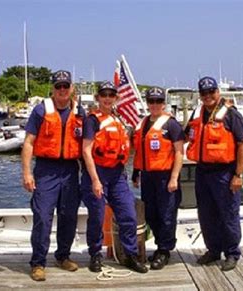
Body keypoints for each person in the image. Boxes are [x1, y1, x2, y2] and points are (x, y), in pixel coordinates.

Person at [21, 70, 85, 281]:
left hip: (70, 170)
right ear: (53, 89)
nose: (62, 90)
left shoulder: (79, 113)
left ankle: (63, 256)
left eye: (66, 86)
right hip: (46, 170)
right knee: (42, 216)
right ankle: (38, 262)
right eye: (58, 86)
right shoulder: (41, 111)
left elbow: (86, 146)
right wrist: (27, 173)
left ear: (71, 88)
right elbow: (29, 142)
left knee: (68, 215)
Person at [81, 81, 148, 274]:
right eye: (104, 95)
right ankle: (95, 254)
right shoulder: (92, 120)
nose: (108, 98)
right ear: (98, 98)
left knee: (128, 214)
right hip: (97, 172)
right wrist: (95, 180)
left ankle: (130, 254)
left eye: (111, 95)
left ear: (116, 98)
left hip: (117, 174)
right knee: (97, 216)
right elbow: (86, 151)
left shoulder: (118, 120)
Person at [185, 76, 243, 271]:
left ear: (217, 92)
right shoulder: (197, 114)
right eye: (204, 93)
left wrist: (238, 175)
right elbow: (185, 134)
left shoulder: (231, 115)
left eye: (211, 92)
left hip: (225, 172)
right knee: (206, 214)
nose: (208, 96)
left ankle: (232, 253)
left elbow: (242, 144)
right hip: (203, 171)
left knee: (228, 214)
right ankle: (213, 250)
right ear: (200, 95)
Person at [132, 86, 185, 270]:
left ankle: (164, 250)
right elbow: (139, 150)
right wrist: (136, 172)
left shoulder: (171, 124)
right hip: (148, 176)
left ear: (164, 103)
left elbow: (179, 152)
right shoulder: (143, 123)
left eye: (158, 101)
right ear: (147, 103)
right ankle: (160, 244)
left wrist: (174, 177)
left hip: (165, 176)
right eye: (151, 101)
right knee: (151, 214)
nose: (154, 105)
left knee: (167, 215)